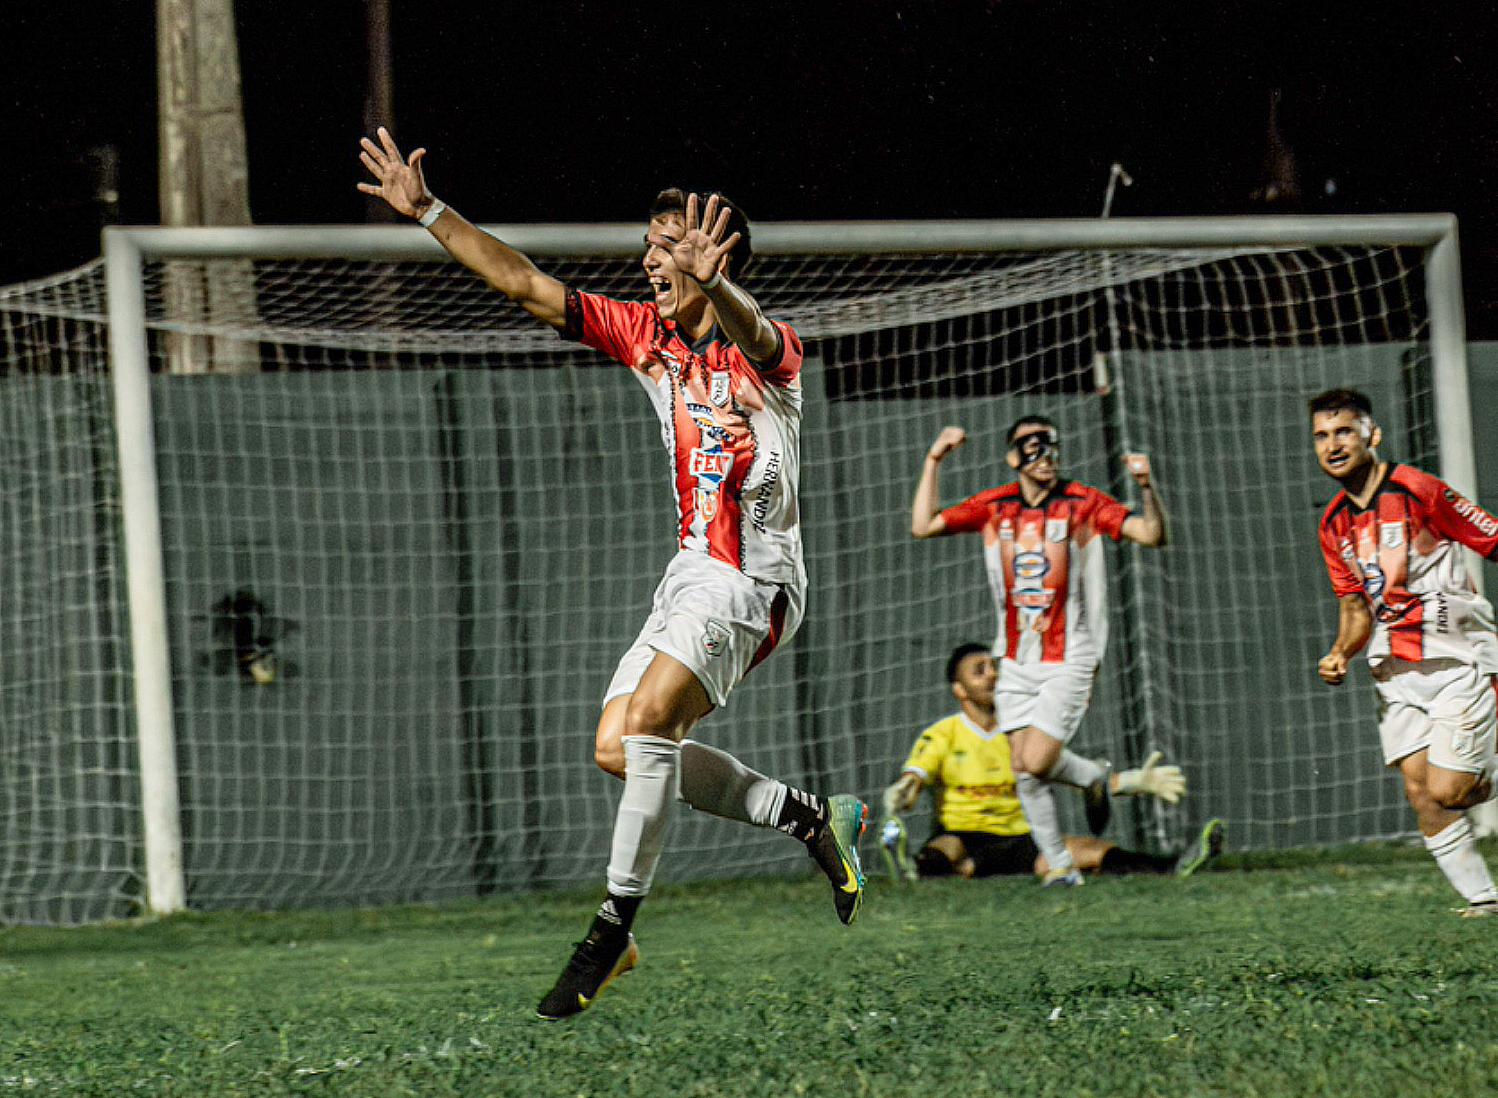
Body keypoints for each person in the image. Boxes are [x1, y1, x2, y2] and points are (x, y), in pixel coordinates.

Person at [358, 127, 868, 1017]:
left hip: (754, 580)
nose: (650, 261)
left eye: (667, 246)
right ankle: (810, 816)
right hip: (693, 570)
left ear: (717, 257)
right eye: (649, 245)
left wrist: (719, 287)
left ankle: (612, 929)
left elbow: (753, 328)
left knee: (652, 722)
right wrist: (429, 210)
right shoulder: (646, 336)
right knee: (617, 745)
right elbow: (525, 283)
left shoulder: (769, 352)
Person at [910, 417, 1186, 885]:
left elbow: (1151, 533)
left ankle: (1094, 777)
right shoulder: (995, 505)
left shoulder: (1083, 501)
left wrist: (1146, 486)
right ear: (1012, 456)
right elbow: (924, 524)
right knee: (1024, 770)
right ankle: (1059, 866)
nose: (1045, 455)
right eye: (1032, 446)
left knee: (1035, 761)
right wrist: (935, 457)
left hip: (1070, 656)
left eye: (1051, 446)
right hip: (1015, 658)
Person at [1310, 387, 1498, 916]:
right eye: (1321, 436)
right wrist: (1340, 651)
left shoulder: (1419, 489)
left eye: (1344, 431)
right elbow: (1355, 605)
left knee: (1450, 790)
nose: (1332, 445)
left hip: (1456, 657)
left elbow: (1493, 537)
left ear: (1372, 433)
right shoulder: (1333, 522)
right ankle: (1485, 900)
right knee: (1421, 791)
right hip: (1393, 668)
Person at [881, 643, 1222, 881]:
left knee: (1096, 850)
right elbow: (916, 774)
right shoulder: (943, 733)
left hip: (1023, 838)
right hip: (964, 835)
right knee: (946, 852)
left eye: (995, 667)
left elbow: (1075, 771)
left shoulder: (1022, 731)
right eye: (979, 670)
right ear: (959, 689)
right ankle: (914, 869)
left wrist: (1135, 780)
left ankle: (1177, 866)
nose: (992, 675)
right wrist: (904, 788)